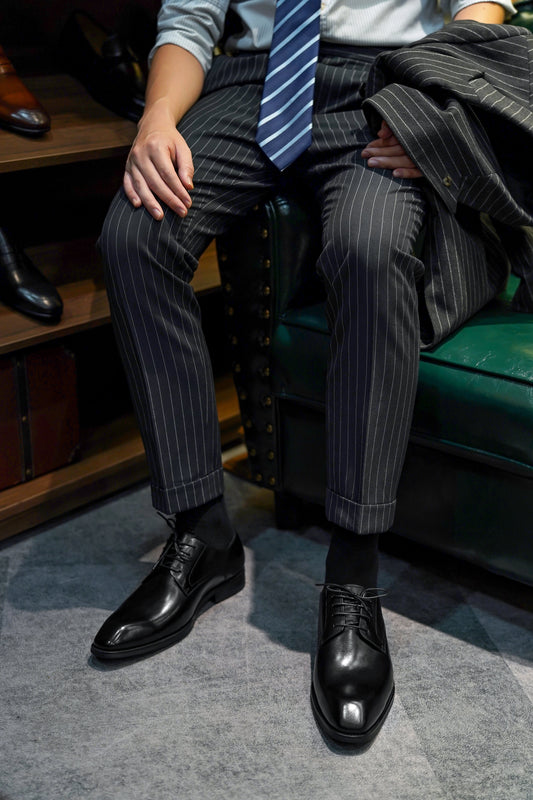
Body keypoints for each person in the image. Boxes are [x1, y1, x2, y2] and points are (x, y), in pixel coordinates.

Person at [92, 0, 514, 745]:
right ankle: (202, 535)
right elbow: (189, 22)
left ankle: (352, 574)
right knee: (134, 236)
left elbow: (479, 4)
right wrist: (156, 120)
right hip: (246, 81)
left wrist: (431, 107)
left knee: (369, 249)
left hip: (383, 80)